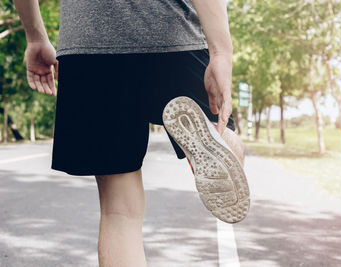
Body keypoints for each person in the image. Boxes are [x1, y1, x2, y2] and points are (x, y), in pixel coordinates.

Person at [13, 0, 250, 266]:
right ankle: (212, 140)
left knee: (119, 212)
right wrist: (221, 52)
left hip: (88, 48)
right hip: (171, 33)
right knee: (220, 130)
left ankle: (209, 144)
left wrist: (35, 37)